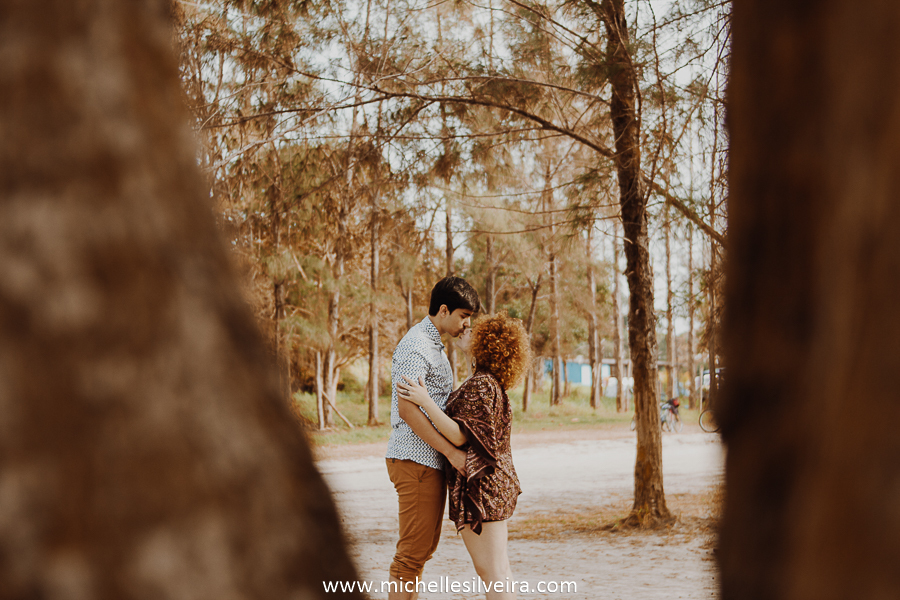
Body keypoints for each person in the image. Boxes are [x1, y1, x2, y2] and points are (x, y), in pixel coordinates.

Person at [399, 313, 531, 600]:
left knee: (493, 573)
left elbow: (461, 435)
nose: (466, 330)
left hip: (483, 488)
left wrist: (425, 401)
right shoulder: (490, 383)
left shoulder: (481, 385)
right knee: (500, 571)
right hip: (493, 485)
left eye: (475, 331)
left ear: (486, 344)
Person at [385, 276, 480, 600]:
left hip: (428, 461)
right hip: (416, 460)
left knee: (422, 552)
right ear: (444, 310)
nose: (467, 323)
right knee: (411, 555)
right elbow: (409, 412)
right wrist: (452, 454)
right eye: (464, 316)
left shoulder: (434, 345)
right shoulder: (416, 346)